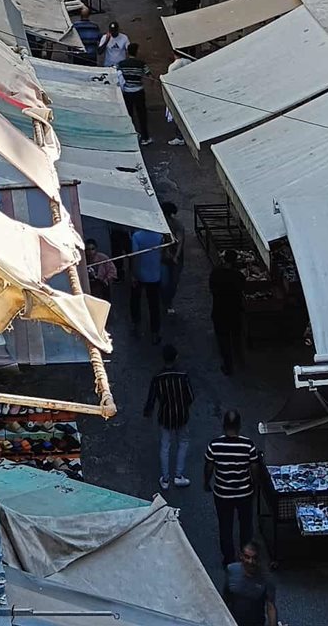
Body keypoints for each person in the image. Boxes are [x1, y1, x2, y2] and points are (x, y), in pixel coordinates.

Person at [204, 410, 259, 567]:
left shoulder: (214, 445)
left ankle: (229, 557)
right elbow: (254, 468)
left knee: (225, 525)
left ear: (224, 425)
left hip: (222, 493)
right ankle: (246, 554)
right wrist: (254, 486)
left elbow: (209, 466)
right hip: (244, 493)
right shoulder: (248, 445)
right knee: (246, 525)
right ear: (239, 425)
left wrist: (206, 482)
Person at [144, 344, 194, 491]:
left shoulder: (158, 378)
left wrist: (148, 412)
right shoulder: (183, 376)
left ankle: (165, 479)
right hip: (182, 415)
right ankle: (178, 475)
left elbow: (151, 399)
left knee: (165, 446)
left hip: (165, 416)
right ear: (176, 357)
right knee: (183, 442)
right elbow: (190, 397)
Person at [210, 248, 246, 376]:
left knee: (223, 339)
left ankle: (228, 365)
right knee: (236, 336)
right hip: (234, 311)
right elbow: (243, 288)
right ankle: (239, 359)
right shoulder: (238, 276)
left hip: (219, 310)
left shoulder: (215, 273)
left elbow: (212, 289)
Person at [224, 543, 277, 626]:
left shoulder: (267, 579)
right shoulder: (231, 570)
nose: (250, 561)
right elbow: (225, 598)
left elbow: (270, 607)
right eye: (247, 557)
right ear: (241, 556)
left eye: (254, 558)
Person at [130, 227, 165, 344]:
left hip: (139, 273)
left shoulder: (136, 236)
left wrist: (133, 274)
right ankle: (155, 332)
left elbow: (135, 256)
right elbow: (162, 254)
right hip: (155, 274)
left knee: (135, 300)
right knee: (154, 304)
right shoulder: (159, 236)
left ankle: (136, 325)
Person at [116, 41, 151, 143]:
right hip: (139, 91)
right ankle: (145, 137)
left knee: (129, 114)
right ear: (136, 52)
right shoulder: (141, 64)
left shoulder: (121, 64)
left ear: (128, 52)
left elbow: (116, 75)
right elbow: (150, 76)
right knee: (142, 115)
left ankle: (130, 135)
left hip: (127, 92)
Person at [160, 201, 185, 314]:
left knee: (173, 281)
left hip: (173, 257)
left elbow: (180, 241)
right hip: (166, 257)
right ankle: (166, 300)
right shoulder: (172, 224)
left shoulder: (177, 225)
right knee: (166, 281)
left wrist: (175, 256)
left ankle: (167, 300)